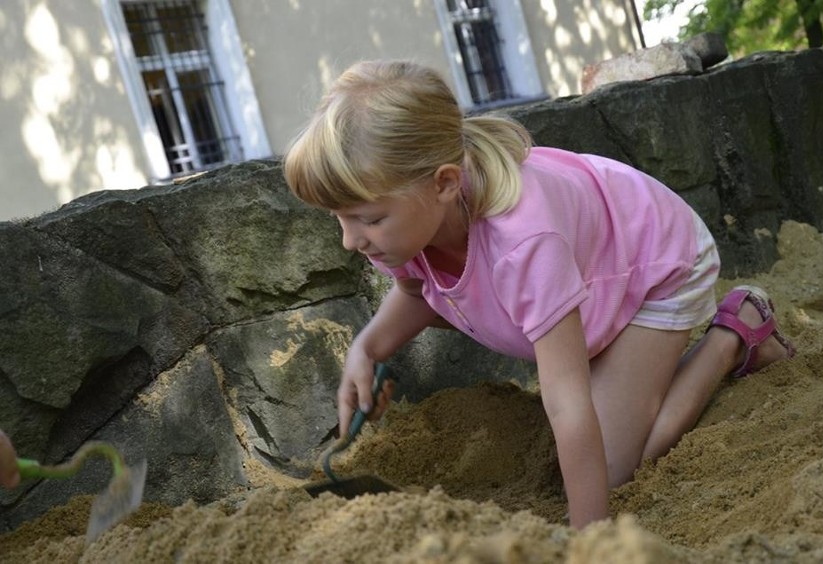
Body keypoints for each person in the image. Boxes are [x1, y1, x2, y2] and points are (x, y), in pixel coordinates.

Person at [283, 60, 795, 529]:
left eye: (368, 219)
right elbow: (421, 293)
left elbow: (568, 406)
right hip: (591, 277)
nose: (351, 241)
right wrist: (367, 349)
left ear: (443, 184)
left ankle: (733, 332)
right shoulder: (402, 229)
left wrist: (586, 537)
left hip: (655, 266)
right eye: (340, 219)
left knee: (614, 468)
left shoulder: (524, 243)